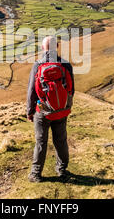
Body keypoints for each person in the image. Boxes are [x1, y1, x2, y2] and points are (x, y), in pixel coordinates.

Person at [26, 36, 75, 183]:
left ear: (43, 48)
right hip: (61, 110)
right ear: (57, 46)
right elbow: (71, 90)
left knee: (41, 142)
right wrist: (66, 107)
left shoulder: (38, 65)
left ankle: (36, 174)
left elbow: (31, 91)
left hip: (42, 111)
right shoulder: (66, 65)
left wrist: (30, 111)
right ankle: (62, 170)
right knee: (61, 140)